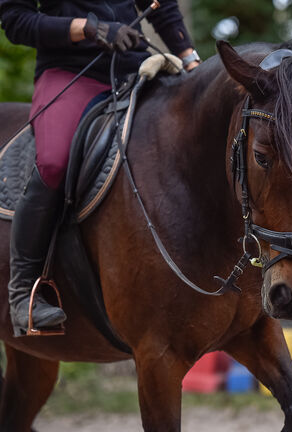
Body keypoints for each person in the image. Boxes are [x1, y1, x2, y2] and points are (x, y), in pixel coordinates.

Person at [0, 0, 200, 335]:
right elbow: (15, 21)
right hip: (70, 72)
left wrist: (192, 62)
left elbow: (161, 6)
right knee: (53, 162)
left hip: (138, 68)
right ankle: (23, 292)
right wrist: (86, 28)